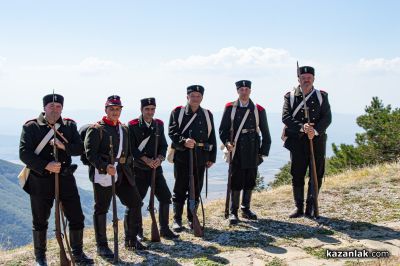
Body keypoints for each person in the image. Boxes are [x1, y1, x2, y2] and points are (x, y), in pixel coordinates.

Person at [19, 94, 93, 265]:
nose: (55, 109)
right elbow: (24, 153)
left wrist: (63, 146)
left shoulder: (69, 125)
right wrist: (46, 165)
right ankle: (40, 257)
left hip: (65, 178)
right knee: (40, 220)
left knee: (76, 216)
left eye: (58, 106)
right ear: (44, 107)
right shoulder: (31, 127)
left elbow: (80, 149)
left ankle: (77, 253)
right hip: (40, 180)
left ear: (62, 108)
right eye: (51, 106)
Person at [84, 95, 145, 258]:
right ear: (106, 109)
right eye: (111, 109)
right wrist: (105, 166)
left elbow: (128, 152)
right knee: (101, 209)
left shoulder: (124, 128)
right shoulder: (97, 129)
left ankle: (131, 240)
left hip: (123, 173)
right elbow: (90, 154)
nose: (115, 112)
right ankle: (102, 246)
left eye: (117, 109)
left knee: (135, 202)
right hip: (104, 173)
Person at [282, 66, 332, 218]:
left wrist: (314, 131)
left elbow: (327, 117)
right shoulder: (290, 96)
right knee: (297, 173)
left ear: (314, 79)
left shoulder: (321, 95)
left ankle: (311, 206)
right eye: (303, 78)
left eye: (309, 77)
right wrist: (302, 128)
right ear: (299, 79)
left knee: (316, 173)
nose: (306, 80)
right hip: (297, 140)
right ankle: (299, 207)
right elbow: (286, 117)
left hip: (316, 140)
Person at [219, 80, 271, 225]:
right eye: (241, 89)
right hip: (236, 149)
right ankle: (233, 211)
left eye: (246, 89)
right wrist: (227, 143)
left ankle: (245, 208)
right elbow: (223, 129)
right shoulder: (230, 108)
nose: (244, 92)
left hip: (253, 148)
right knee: (236, 180)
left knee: (250, 179)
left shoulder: (258, 109)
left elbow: (265, 132)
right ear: (237, 91)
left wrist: (262, 152)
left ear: (250, 91)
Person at [168, 85, 217, 232]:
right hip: (182, 155)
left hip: (201, 156)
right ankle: (177, 220)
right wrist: (184, 141)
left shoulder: (207, 114)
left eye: (198, 96)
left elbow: (212, 136)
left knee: (196, 188)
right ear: (187, 96)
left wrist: (211, 157)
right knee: (180, 188)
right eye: (193, 95)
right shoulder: (177, 112)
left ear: (202, 97)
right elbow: (172, 131)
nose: (195, 98)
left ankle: (191, 218)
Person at [128, 97, 178, 239]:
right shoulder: (132, 126)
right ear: (141, 110)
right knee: (136, 201)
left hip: (156, 169)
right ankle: (137, 232)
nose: (150, 112)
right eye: (147, 109)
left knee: (165, 197)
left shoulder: (158, 124)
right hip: (139, 170)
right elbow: (132, 148)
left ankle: (164, 229)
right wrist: (146, 160)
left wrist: (159, 159)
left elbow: (163, 145)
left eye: (152, 109)